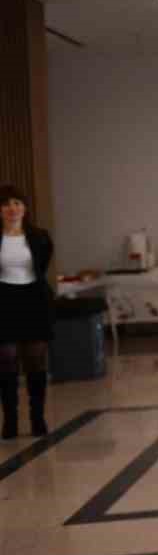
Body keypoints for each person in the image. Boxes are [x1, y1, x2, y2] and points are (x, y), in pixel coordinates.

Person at [0, 185, 53, 440]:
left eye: (17, 203)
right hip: (3, 300)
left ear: (25, 208)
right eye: (7, 204)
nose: (12, 208)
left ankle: (37, 417)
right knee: (6, 357)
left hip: (33, 299)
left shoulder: (40, 236)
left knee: (35, 358)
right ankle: (9, 419)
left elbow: (43, 264)